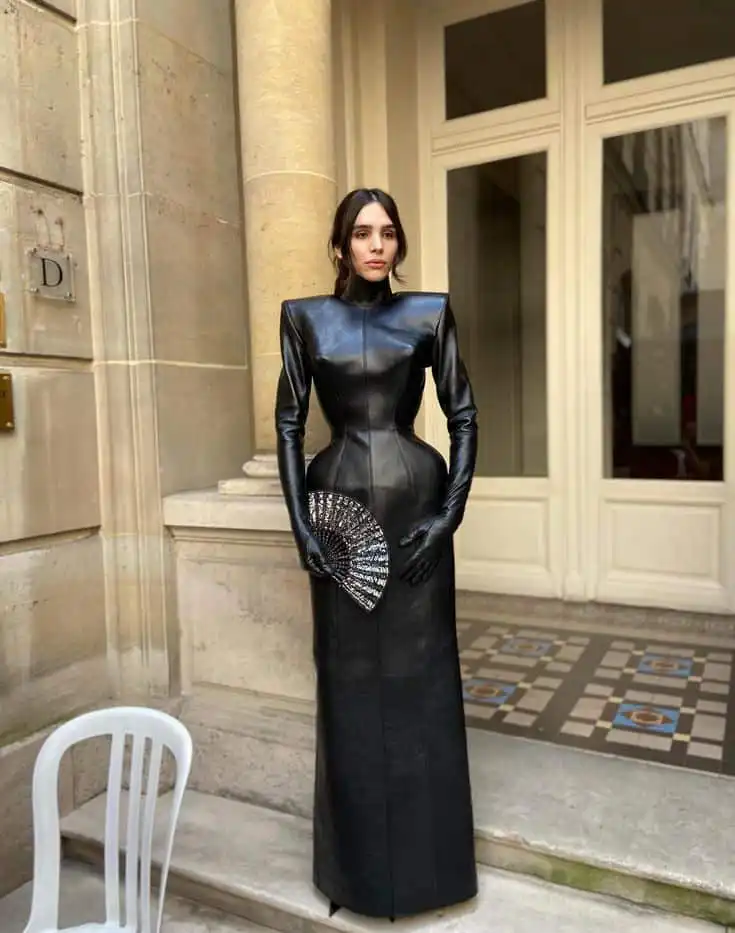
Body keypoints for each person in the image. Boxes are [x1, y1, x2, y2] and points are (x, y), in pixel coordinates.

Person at [275, 188, 479, 921]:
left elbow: (462, 412)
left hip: (415, 509)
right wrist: (301, 527)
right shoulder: (305, 319)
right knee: (347, 686)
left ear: (397, 244)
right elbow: (290, 423)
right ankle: (354, 873)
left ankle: (435, 872)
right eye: (361, 233)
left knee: (423, 684)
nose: (375, 245)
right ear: (339, 246)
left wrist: (446, 518)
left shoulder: (427, 313)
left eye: (387, 233)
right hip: (336, 519)